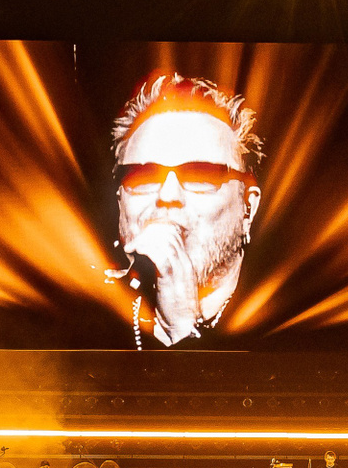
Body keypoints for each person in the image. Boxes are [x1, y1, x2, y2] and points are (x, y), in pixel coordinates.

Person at [105, 73, 265, 348]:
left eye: (200, 175)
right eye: (144, 176)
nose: (167, 196)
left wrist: (181, 329)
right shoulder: (81, 323)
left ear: (247, 208)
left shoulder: (297, 324)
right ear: (120, 200)